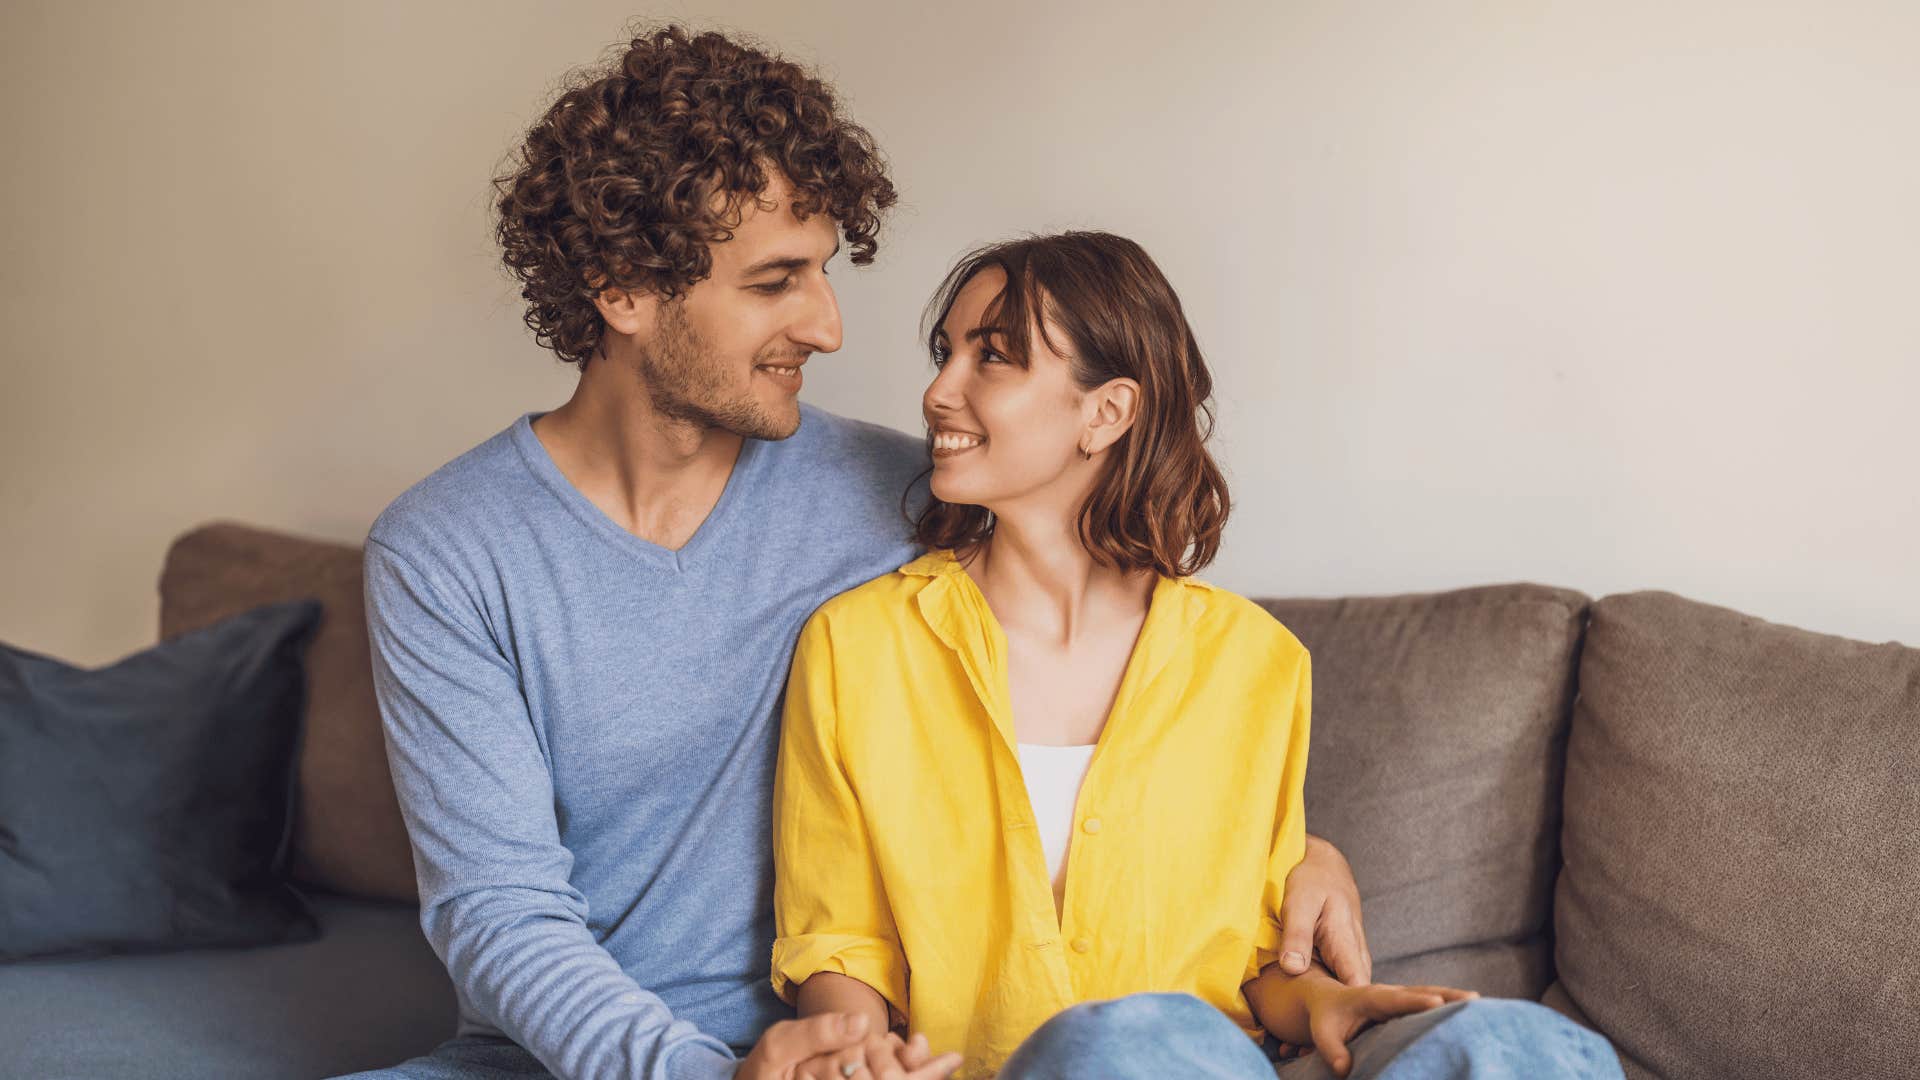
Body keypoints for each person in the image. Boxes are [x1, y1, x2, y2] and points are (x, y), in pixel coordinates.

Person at [342, 27, 1373, 1080]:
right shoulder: (446, 553)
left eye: (824, 272)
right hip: (582, 1057)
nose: (829, 327)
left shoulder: (913, 494)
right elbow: (498, 911)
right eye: (775, 280)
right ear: (624, 291)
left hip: (868, 1052)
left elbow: (1139, 665)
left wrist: (1301, 854)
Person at [770, 232, 1625, 1080]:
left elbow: (1252, 958)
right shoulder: (858, 646)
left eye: (991, 357)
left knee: (1522, 1046)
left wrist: (1324, 1000)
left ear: (1106, 412)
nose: (937, 391)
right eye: (944, 352)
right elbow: (839, 938)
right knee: (1125, 1044)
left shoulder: (1255, 662)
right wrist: (855, 1058)